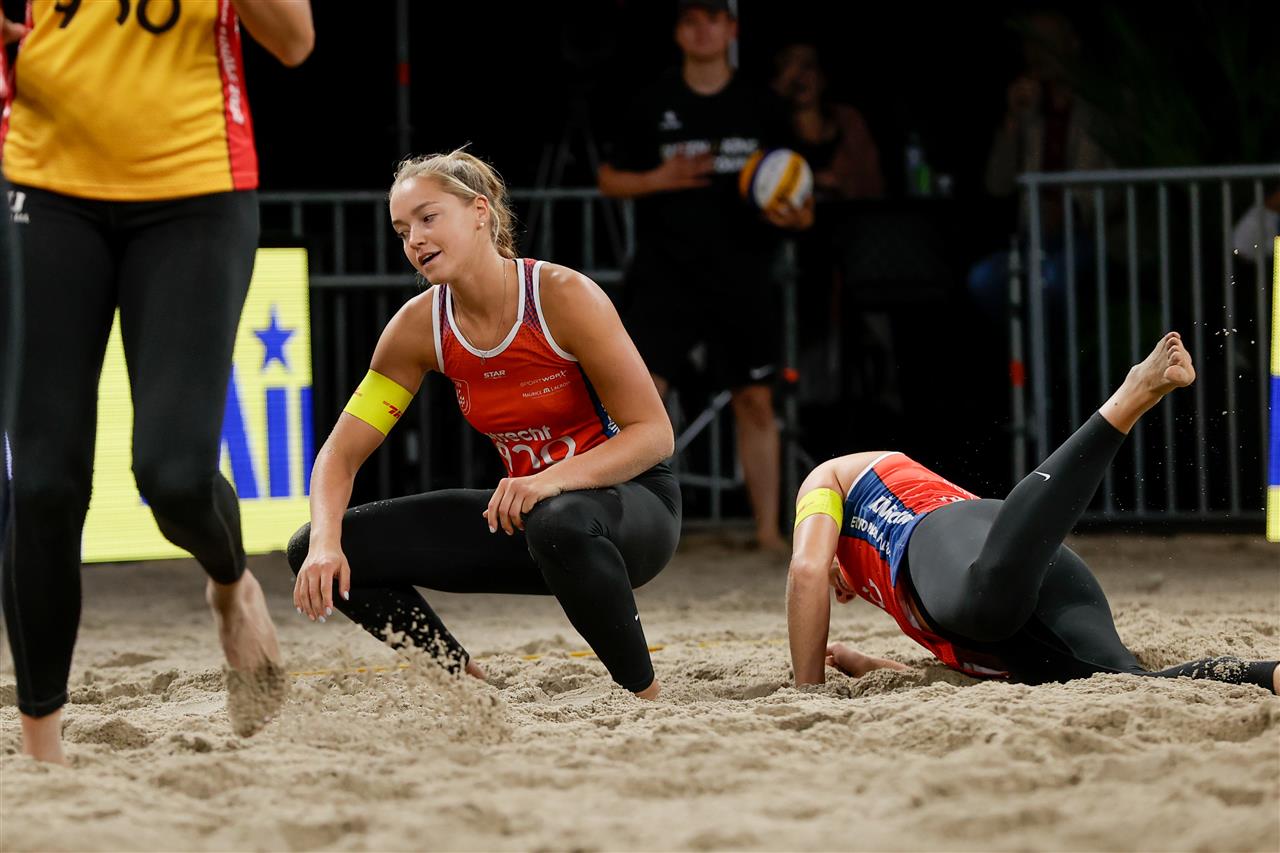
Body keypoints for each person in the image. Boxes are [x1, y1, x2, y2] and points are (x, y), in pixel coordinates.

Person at [1, 0, 314, 764]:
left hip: (195, 191)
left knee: (173, 477)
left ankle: (231, 584)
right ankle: (43, 754)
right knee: (42, 484)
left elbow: (295, 40)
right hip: (43, 185)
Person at [287, 150, 681, 699]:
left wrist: (549, 480)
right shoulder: (417, 326)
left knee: (560, 520)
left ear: (479, 212)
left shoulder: (562, 296)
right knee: (314, 544)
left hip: (628, 508)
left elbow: (654, 434)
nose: (415, 240)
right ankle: (459, 678)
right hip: (528, 516)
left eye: (428, 218)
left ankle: (645, 695)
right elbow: (339, 454)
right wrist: (326, 545)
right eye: (402, 231)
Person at [787, 332, 1280, 694]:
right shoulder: (900, 592)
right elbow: (962, 676)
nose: (840, 589)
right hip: (1033, 567)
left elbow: (806, 570)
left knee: (985, 600)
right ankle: (1270, 675)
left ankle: (1128, 399)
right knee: (1131, 680)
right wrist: (866, 663)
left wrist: (807, 691)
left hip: (963, 533)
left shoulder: (830, 479)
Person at [598, 0, 813, 553]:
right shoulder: (652, 101)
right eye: (691, 20)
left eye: (713, 19)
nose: (702, 30)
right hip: (665, 272)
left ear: (731, 29)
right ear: (678, 31)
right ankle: (622, 528)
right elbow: (610, 180)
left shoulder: (762, 105)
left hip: (741, 273)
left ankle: (767, 532)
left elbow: (800, 195)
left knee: (755, 400)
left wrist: (793, 215)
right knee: (641, 398)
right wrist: (660, 178)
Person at [968, 11, 1111, 324]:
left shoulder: (1101, 104)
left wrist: (1070, 211)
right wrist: (1012, 121)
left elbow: (1113, 185)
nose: (1037, 55)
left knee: (1053, 280)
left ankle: (1063, 355)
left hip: (1091, 238)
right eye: (1031, 45)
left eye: (1047, 43)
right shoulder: (1030, 107)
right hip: (1034, 241)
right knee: (984, 280)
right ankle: (1027, 353)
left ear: (1072, 44)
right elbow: (997, 185)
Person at [771, 42, 883, 202]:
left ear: (822, 77)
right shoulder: (772, 127)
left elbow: (873, 185)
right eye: (790, 65)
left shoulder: (848, 121)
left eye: (807, 66)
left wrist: (842, 184)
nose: (799, 76)